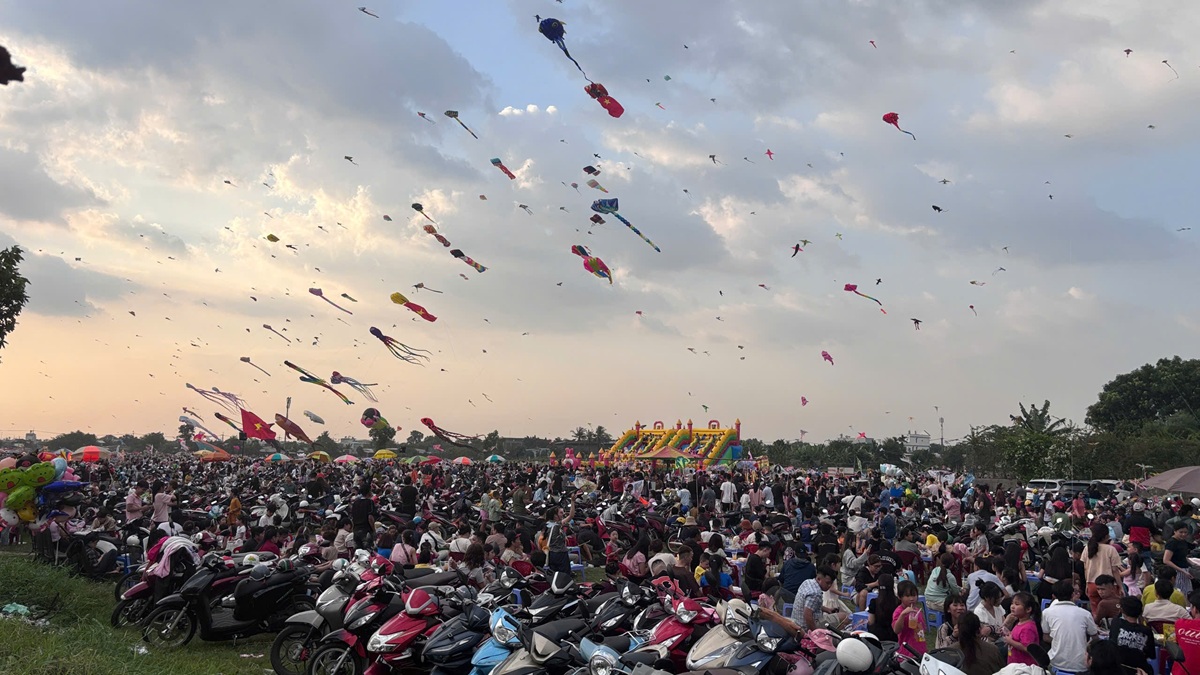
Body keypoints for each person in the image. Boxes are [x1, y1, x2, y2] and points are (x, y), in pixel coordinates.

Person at [1042, 578, 1098, 673]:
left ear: (1054, 596)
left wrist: (1059, 640)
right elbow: (1095, 638)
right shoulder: (1085, 614)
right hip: (1081, 665)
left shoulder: (1047, 612)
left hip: (1056, 662)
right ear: (1072, 594)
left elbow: (1046, 637)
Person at [1085, 523, 1130, 621]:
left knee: (1096, 614)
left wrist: (1087, 585)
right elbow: (1115, 570)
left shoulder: (1087, 548)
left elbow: (1086, 568)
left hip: (1091, 584)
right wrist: (1120, 586)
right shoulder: (1111, 549)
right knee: (1114, 612)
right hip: (1108, 585)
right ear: (1105, 536)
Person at [1109, 596, 1156, 673]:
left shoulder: (1116, 623)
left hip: (1119, 668)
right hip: (1140, 669)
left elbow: (1112, 642)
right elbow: (1151, 654)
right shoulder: (1147, 631)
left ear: (1122, 610)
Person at [790, 564, 837, 631]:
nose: (829, 585)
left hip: (796, 622)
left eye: (831, 583)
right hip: (806, 627)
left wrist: (827, 610)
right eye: (827, 583)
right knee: (845, 617)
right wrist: (815, 632)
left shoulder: (807, 582)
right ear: (818, 579)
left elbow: (811, 605)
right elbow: (807, 615)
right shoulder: (815, 593)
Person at [1002, 591, 1041, 666]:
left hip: (1024, 666)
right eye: (1012, 603)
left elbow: (1027, 648)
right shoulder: (1019, 622)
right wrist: (1010, 635)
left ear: (1028, 609)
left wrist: (1010, 641)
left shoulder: (1028, 627)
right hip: (1016, 664)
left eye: (1017, 604)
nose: (1012, 606)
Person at [892, 580, 927, 657]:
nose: (912, 599)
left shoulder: (917, 610)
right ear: (899, 597)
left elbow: (921, 631)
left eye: (914, 595)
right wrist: (903, 615)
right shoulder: (899, 611)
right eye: (907, 596)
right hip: (907, 652)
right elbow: (896, 630)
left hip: (920, 650)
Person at [544, 498, 576, 575]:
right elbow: (571, 515)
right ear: (555, 516)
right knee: (564, 576)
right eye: (561, 513)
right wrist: (572, 501)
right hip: (561, 555)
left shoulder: (548, 524)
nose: (563, 514)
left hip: (552, 554)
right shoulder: (557, 525)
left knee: (554, 575)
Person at [1164, 521, 1194, 596]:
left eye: (1185, 532)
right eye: (1181, 532)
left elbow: (1182, 557)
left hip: (1185, 571)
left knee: (1187, 593)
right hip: (1177, 572)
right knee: (1180, 593)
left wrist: (1193, 564)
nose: (1183, 534)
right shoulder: (1172, 543)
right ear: (1175, 531)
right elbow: (1166, 560)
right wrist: (1182, 571)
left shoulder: (1182, 541)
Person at [867, 573, 899, 643]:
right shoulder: (897, 602)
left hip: (878, 637)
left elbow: (871, 622)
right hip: (894, 636)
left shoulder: (874, 602)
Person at [350, 485, 376, 552]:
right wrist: (373, 529)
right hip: (366, 530)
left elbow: (353, 517)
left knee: (358, 552)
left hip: (356, 530)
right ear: (368, 492)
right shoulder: (369, 502)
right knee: (367, 552)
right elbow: (370, 517)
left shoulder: (355, 502)